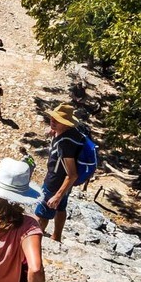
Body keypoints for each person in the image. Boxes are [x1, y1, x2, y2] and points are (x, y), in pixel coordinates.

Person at [37, 102, 94, 242]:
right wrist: (54, 131)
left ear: (66, 124)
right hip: (65, 185)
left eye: (57, 120)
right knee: (61, 208)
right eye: (52, 118)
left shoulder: (65, 145)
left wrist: (57, 195)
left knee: (42, 213)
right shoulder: (74, 132)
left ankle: (35, 238)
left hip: (55, 183)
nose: (53, 121)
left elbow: (72, 174)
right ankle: (56, 237)